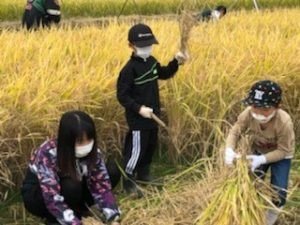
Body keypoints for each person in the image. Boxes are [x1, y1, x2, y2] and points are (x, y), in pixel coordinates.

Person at [116, 23, 188, 196]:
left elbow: (164, 73)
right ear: (131, 46)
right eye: (142, 46)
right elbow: (122, 96)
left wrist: (176, 62)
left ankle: (144, 173)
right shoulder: (128, 70)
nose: (146, 49)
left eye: (149, 45)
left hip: (153, 115)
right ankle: (128, 180)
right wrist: (139, 108)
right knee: (137, 150)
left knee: (150, 146)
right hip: (138, 119)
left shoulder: (151, 62)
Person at [21, 111, 121, 225]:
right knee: (71, 186)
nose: (86, 145)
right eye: (79, 141)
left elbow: (101, 185)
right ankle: (57, 219)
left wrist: (113, 216)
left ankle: (78, 209)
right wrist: (75, 223)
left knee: (112, 171)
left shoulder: (93, 153)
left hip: (74, 189)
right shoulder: (47, 153)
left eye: (89, 139)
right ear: (67, 140)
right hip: (41, 195)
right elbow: (51, 195)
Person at [224, 80, 295, 225]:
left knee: (279, 191)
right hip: (258, 150)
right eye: (255, 106)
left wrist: (262, 160)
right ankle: (250, 215)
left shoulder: (284, 122)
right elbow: (235, 131)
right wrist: (229, 149)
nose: (258, 113)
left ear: (277, 107)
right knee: (252, 185)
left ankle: (269, 220)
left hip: (281, 155)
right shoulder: (248, 114)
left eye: (265, 109)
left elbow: (283, 150)